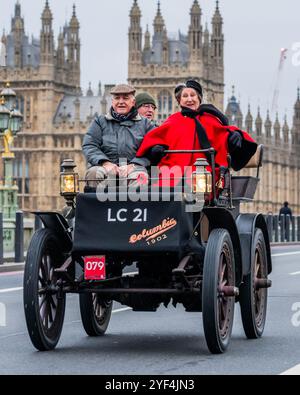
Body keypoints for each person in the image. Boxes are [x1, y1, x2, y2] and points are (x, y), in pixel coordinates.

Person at [136, 80, 258, 188]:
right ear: (179, 101)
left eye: (192, 95)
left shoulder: (210, 119)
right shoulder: (173, 121)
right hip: (173, 173)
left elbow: (222, 135)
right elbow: (155, 139)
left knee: (200, 186)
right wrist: (155, 148)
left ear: (199, 98)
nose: (189, 99)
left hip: (202, 174)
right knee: (162, 187)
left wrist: (234, 136)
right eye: (185, 96)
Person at [83, 84, 155, 187]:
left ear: (133, 102)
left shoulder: (146, 124)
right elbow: (89, 145)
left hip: (135, 168)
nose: (121, 102)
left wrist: (134, 164)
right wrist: (105, 163)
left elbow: (153, 149)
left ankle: (134, 204)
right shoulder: (100, 122)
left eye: (125, 98)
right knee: (93, 174)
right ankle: (98, 203)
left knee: (140, 178)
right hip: (105, 167)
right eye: (117, 98)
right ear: (112, 102)